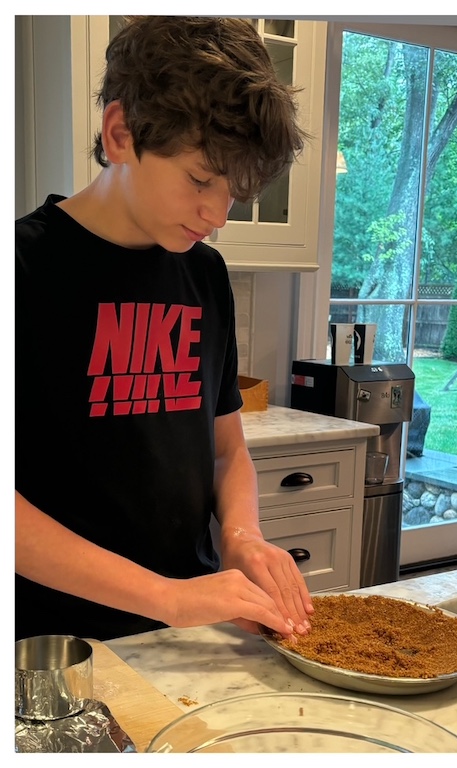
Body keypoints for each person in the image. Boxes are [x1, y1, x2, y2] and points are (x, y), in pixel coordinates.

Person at [15, 16, 314, 643]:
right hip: (50, 645)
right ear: (121, 133)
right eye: (200, 179)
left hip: (190, 630)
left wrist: (241, 537)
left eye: (233, 192)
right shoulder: (21, 267)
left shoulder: (204, 274)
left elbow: (227, 447)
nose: (217, 214)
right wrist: (166, 598)